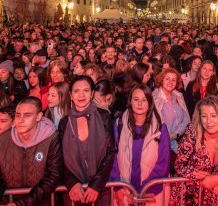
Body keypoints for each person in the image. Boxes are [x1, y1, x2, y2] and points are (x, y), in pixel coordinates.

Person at [171, 95, 218, 205]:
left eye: (213, 115)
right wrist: (208, 178)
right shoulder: (193, 132)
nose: (209, 121)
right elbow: (179, 165)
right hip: (188, 195)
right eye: (204, 116)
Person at [59, 75, 114, 206]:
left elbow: (110, 152)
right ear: (70, 95)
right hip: (74, 192)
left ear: (92, 94)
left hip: (100, 190)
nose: (81, 95)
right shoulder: (64, 123)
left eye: (86, 90)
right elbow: (60, 157)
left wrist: (96, 185)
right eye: (77, 91)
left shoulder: (104, 116)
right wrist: (72, 183)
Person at [110, 84, 170, 205]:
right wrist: (118, 186)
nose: (140, 104)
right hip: (125, 191)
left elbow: (163, 163)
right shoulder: (119, 125)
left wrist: (147, 189)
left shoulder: (160, 128)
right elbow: (112, 157)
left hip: (152, 193)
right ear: (130, 101)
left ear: (150, 103)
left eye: (144, 100)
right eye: (136, 99)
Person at [0, 97, 62, 205]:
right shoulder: (3, 139)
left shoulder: (51, 138)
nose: (20, 120)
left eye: (27, 115)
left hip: (43, 203)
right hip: (10, 202)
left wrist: (23, 203)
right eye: (18, 115)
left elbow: (53, 176)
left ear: (38, 116)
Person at [152, 68, 190, 167]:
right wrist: (169, 137)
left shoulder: (179, 96)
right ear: (161, 80)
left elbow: (186, 119)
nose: (170, 82)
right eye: (167, 79)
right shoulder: (154, 97)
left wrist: (176, 133)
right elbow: (154, 123)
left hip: (178, 141)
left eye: (174, 80)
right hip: (159, 145)